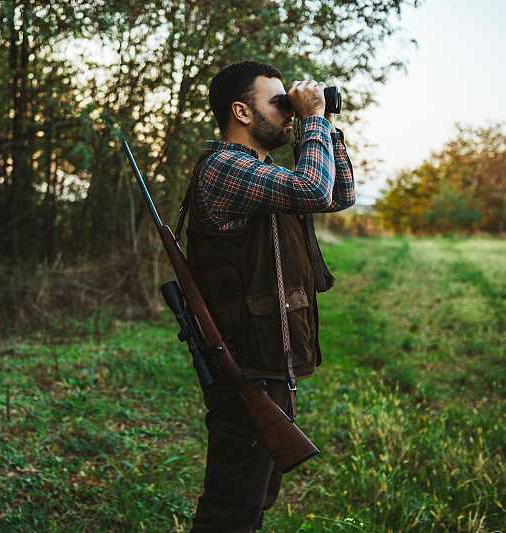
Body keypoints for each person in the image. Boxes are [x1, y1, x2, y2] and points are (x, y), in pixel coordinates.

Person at [184, 60, 355, 532]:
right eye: (279, 103)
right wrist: (314, 118)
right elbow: (314, 189)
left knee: (256, 496)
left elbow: (339, 194)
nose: (289, 111)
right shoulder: (225, 167)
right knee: (232, 506)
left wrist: (325, 125)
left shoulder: (260, 173)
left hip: (265, 358)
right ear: (240, 111)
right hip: (243, 363)